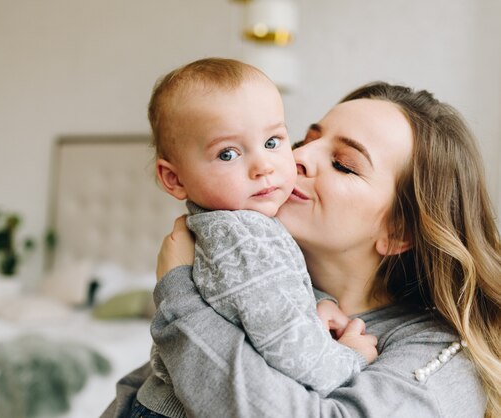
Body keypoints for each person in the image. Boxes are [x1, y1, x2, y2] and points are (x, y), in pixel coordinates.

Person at [105, 81, 501, 417]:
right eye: (303, 139)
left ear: (399, 233)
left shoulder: (442, 356)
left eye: (344, 164)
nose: (297, 159)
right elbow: (141, 393)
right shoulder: (243, 288)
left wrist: (179, 300)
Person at [132, 58, 377, 417]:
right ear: (175, 179)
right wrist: (350, 356)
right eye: (227, 153)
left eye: (273, 140)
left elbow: (257, 301)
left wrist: (315, 304)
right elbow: (292, 353)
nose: (263, 165)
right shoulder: (240, 237)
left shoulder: (238, 225)